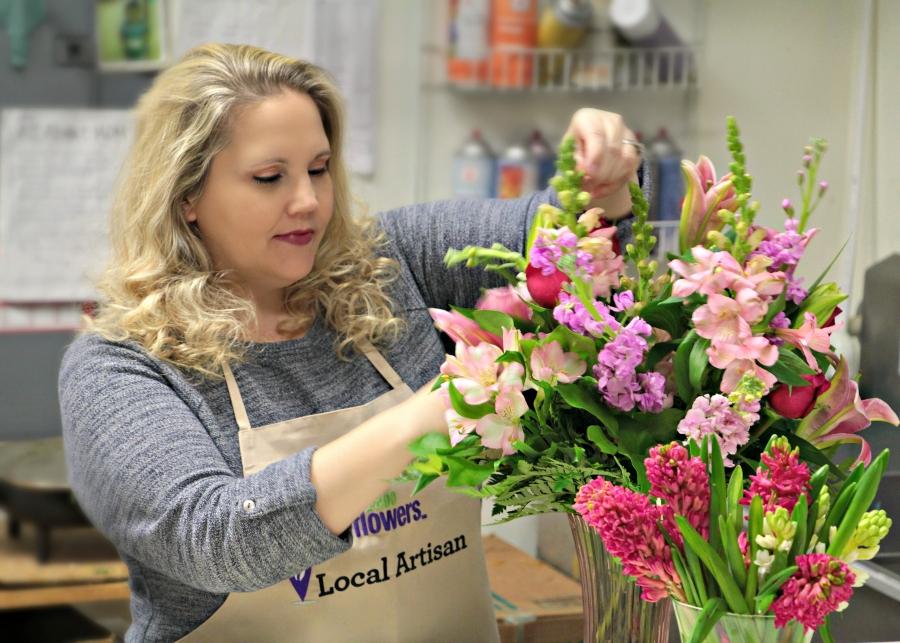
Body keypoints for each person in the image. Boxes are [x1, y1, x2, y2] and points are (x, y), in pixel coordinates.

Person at [59, 43, 643, 642]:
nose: (308, 201)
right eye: (269, 178)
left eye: (318, 168)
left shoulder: (393, 265)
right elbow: (213, 541)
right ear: (186, 196)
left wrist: (602, 181)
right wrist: (439, 409)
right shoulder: (121, 362)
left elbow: (571, 244)